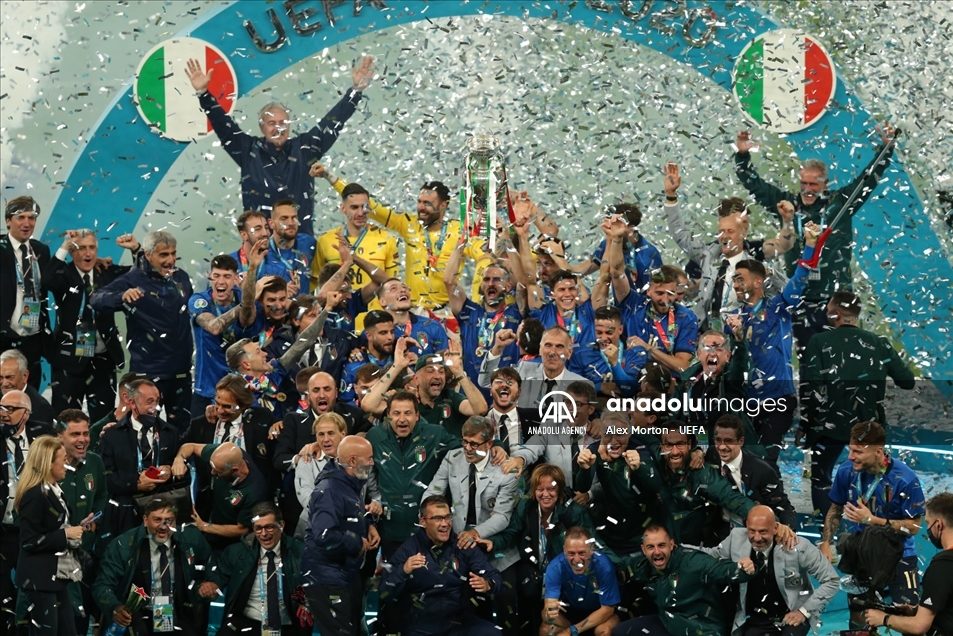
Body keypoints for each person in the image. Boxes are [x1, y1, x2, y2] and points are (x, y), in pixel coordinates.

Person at [733, 122, 897, 357]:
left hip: (836, 299)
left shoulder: (840, 204)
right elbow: (755, 186)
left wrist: (886, 148)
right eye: (803, 184)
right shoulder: (787, 205)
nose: (807, 189)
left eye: (813, 184)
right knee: (809, 360)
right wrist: (742, 155)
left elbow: (868, 180)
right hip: (801, 299)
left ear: (825, 184)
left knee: (841, 358)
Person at [186, 56, 375, 236]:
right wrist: (204, 95)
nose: (278, 128)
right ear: (262, 127)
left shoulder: (305, 148)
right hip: (260, 245)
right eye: (272, 123)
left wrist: (355, 91)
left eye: (283, 123)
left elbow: (333, 122)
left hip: (300, 244)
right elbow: (223, 125)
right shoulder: (247, 150)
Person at [801, 291, 916, 517]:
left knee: (822, 480)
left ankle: (829, 535)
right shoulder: (878, 343)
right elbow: (908, 381)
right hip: (869, 428)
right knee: (875, 479)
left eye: (827, 311)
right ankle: (874, 529)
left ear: (837, 313)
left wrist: (805, 427)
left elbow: (811, 390)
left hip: (829, 427)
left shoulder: (819, 342)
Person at [313, 165, 493, 309]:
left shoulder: (459, 232)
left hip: (446, 313)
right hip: (413, 311)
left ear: (443, 205)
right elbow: (370, 206)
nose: (421, 207)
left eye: (427, 203)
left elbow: (483, 256)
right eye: (419, 202)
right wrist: (330, 176)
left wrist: (482, 290)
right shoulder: (408, 224)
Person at [723, 215, 818, 466]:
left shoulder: (778, 308)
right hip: (745, 401)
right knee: (745, 462)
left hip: (779, 399)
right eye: (734, 280)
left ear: (758, 282)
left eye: (740, 279)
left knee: (766, 460)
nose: (736, 285)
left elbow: (799, 280)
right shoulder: (732, 319)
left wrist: (810, 246)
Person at [819, 421, 925, 628]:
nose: (850, 457)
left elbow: (914, 527)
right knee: (859, 622)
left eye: (858, 452)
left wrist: (872, 520)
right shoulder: (846, 471)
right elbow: (836, 508)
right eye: (850, 450)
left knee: (909, 618)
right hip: (861, 555)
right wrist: (825, 542)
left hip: (900, 557)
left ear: (878, 451)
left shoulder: (905, 479)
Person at [421, 416, 520, 634]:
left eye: (474, 444)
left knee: (506, 609)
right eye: (465, 441)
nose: (467, 448)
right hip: (460, 548)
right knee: (467, 609)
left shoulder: (507, 471)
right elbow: (434, 490)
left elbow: (502, 516)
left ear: (489, 444)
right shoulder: (452, 457)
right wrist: (427, 513)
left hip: (498, 552)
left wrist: (475, 532)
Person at [91, 230, 194, 432]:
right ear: (149, 255)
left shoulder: (181, 277)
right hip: (148, 372)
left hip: (180, 372)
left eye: (173, 253)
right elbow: (95, 299)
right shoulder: (132, 280)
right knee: (141, 429)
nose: (170, 260)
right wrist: (121, 296)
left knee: (181, 431)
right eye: (164, 255)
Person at [485, 464, 607, 635]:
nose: (545, 494)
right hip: (534, 570)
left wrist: (617, 566)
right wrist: (492, 543)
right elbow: (512, 532)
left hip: (564, 574)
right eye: (540, 489)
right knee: (524, 593)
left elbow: (593, 542)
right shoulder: (526, 506)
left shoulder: (573, 512)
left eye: (551, 489)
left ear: (560, 490)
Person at [663, 163, 788, 327]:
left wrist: (769, 273)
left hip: (740, 334)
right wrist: (671, 195)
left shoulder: (754, 267)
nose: (724, 236)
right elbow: (680, 235)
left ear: (743, 233)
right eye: (721, 231)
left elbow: (788, 290)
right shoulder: (708, 255)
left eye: (730, 231)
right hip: (705, 332)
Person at [692, 506, 839, 636]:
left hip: (792, 614)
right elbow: (710, 555)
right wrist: (681, 550)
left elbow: (832, 580)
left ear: (775, 528)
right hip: (756, 618)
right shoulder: (736, 538)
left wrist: (804, 612)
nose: (757, 538)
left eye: (763, 532)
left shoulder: (798, 546)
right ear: (746, 525)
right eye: (752, 531)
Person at [44, 229, 135, 422]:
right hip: (68, 362)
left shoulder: (106, 272)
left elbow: (138, 275)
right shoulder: (64, 274)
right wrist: (65, 244)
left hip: (102, 362)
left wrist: (135, 250)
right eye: (82, 248)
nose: (88, 253)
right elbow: (47, 280)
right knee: (65, 420)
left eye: (92, 248)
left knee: (103, 421)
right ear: (72, 252)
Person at [379, 495, 502, 636]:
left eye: (448, 517)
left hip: (458, 623)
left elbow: (494, 576)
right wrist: (403, 570)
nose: (445, 524)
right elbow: (384, 592)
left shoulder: (462, 545)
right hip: (420, 626)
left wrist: (488, 584)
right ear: (423, 522)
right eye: (437, 518)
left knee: (492, 633)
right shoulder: (408, 550)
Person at [93, 494, 212, 636]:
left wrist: (210, 583)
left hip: (176, 610)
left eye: (169, 520)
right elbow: (102, 585)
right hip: (137, 612)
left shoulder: (192, 538)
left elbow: (210, 567)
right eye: (157, 520)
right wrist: (115, 607)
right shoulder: (122, 545)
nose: (163, 526)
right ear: (145, 520)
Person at [14, 436, 94, 636]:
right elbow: (29, 541)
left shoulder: (54, 490)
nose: (67, 464)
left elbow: (53, 527)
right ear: (48, 463)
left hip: (55, 579)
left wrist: (76, 528)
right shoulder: (34, 495)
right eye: (63, 459)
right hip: (39, 580)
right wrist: (65, 534)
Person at [365, 391, 459, 559]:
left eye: (408, 413)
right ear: (388, 416)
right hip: (390, 531)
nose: (402, 419)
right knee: (396, 574)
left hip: (426, 532)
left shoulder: (435, 434)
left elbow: (465, 448)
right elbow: (351, 450)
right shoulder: (375, 436)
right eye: (396, 413)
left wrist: (496, 445)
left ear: (417, 415)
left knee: (428, 575)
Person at [614, 524, 754, 636]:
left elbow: (720, 569)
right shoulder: (642, 565)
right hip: (669, 623)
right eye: (650, 547)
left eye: (661, 545)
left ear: (671, 545)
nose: (657, 552)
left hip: (703, 629)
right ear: (643, 550)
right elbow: (618, 566)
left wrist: (742, 569)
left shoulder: (693, 562)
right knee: (620, 631)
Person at [199, 502, 311, 636]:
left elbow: (317, 582)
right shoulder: (237, 553)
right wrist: (213, 585)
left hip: (288, 625)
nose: (263, 534)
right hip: (246, 622)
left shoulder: (300, 553)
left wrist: (307, 601)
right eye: (258, 528)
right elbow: (219, 574)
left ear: (281, 525)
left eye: (269, 527)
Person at [302, 435, 376, 636]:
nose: (372, 463)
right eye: (369, 458)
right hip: (327, 577)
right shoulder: (329, 490)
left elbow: (347, 517)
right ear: (352, 461)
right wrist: (357, 541)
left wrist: (368, 525)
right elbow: (324, 534)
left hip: (344, 573)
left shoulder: (349, 484)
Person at [99, 378, 190, 539]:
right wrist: (135, 483)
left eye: (157, 401)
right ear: (132, 403)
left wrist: (170, 471)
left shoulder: (170, 433)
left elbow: (184, 476)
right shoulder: (112, 436)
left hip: (162, 511)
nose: (155, 407)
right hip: (127, 514)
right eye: (149, 402)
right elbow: (105, 479)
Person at [1, 387, 56, 635]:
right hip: (3, 531)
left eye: (10, 409)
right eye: (1, 408)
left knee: (33, 593)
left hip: (34, 531)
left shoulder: (43, 435)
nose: (3, 413)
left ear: (26, 413)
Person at [182, 375, 277, 521]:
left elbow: (285, 429)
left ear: (243, 405)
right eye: (218, 403)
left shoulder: (261, 419)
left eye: (227, 406)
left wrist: (281, 424)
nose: (220, 411)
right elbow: (178, 445)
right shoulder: (201, 425)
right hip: (211, 502)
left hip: (251, 500)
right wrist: (179, 459)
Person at [863, 492, 953, 636]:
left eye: (928, 523)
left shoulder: (941, 567)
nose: (928, 528)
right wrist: (916, 611)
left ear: (939, 525)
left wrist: (883, 618)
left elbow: (919, 627)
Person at [360, 337, 487, 438]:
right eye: (430, 371)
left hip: (450, 460)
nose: (437, 376)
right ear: (416, 379)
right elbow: (368, 405)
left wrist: (458, 371)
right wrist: (397, 366)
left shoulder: (451, 397)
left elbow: (480, 409)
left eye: (441, 371)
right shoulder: (405, 401)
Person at [606, 240, 699, 376]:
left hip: (667, 384)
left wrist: (648, 348)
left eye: (670, 294)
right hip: (632, 380)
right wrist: (617, 238)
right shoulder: (634, 304)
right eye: (659, 293)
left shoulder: (686, 317)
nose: (665, 300)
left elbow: (683, 367)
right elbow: (616, 272)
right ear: (648, 291)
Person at [189, 249, 263, 415]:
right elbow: (214, 327)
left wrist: (252, 271)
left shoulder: (244, 300)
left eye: (227, 276)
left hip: (241, 392)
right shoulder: (200, 300)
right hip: (207, 390)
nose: (220, 281)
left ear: (236, 279)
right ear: (210, 277)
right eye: (216, 276)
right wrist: (246, 303)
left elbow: (247, 319)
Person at [56, 409, 109, 636]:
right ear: (60, 436)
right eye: (75, 434)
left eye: (86, 433)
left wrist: (96, 516)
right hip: (56, 557)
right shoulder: (48, 464)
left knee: (81, 616)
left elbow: (102, 495)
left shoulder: (95, 462)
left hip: (85, 553)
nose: (82, 439)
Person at [576, 412, 659, 556]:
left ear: (629, 432)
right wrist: (584, 469)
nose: (613, 441)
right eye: (608, 434)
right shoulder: (594, 450)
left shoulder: (641, 450)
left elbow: (656, 486)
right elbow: (583, 487)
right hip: (609, 532)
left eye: (619, 434)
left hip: (642, 532)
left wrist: (640, 468)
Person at [445, 243, 524, 390]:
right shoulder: (469, 312)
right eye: (486, 279)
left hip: (505, 394)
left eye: (496, 279)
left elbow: (523, 283)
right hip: (472, 394)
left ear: (508, 286)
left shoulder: (516, 313)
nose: (490, 283)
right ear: (481, 286)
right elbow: (449, 281)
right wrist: (460, 244)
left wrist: (509, 244)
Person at [172, 441, 269, 551]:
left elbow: (242, 529)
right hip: (213, 516)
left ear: (234, 470)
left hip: (230, 541)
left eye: (218, 471)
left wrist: (204, 526)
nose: (212, 472)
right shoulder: (224, 456)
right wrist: (179, 459)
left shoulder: (255, 492)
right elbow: (190, 446)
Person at [310, 181, 399, 297]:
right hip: (338, 306)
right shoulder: (325, 240)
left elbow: (392, 283)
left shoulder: (387, 239)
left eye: (365, 206)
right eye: (354, 207)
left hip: (376, 307)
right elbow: (314, 281)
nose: (361, 212)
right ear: (343, 209)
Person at [708, 415, 796, 528]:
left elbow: (783, 506)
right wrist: (697, 451)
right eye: (718, 440)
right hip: (719, 527)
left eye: (729, 441)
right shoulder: (712, 454)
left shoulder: (762, 470)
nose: (721, 447)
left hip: (753, 530)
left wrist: (787, 529)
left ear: (741, 441)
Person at [1, 196, 51, 389]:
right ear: (8, 221)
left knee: (31, 395)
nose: (27, 223)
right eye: (20, 217)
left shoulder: (41, 250)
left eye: (31, 217)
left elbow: (57, 277)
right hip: (4, 338)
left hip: (33, 339)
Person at [541, 525, 620, 636]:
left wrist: (571, 631)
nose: (577, 560)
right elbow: (547, 609)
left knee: (604, 631)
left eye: (582, 553)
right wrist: (548, 615)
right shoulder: (555, 567)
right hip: (570, 612)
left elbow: (608, 610)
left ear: (591, 549)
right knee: (546, 630)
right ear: (564, 550)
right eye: (571, 553)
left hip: (600, 612)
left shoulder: (604, 566)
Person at [575, 202, 662, 293]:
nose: (611, 230)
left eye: (617, 226)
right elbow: (580, 271)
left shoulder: (647, 258)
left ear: (631, 229)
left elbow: (657, 295)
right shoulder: (609, 242)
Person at [293, 411, 347, 537]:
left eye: (331, 433)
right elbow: (305, 494)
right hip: (312, 529)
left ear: (343, 434)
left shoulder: (354, 458)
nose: (326, 439)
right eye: (321, 434)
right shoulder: (306, 460)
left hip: (348, 528)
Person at [339, 309, 395, 404]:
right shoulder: (353, 367)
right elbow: (346, 404)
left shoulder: (401, 360)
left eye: (392, 332)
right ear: (369, 336)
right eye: (383, 333)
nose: (390, 337)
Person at [376, 277, 448, 351]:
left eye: (404, 287)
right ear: (382, 301)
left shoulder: (433, 326)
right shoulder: (376, 332)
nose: (403, 290)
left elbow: (445, 356)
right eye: (393, 288)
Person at [263, 199, 316, 297]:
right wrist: (279, 293)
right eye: (284, 218)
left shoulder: (308, 243)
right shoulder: (262, 253)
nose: (290, 223)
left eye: (294, 218)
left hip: (304, 306)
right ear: (271, 223)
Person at [1, 348, 55, 425]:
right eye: (0, 377)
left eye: (10, 377)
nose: (4, 383)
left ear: (25, 376)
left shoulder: (41, 408)